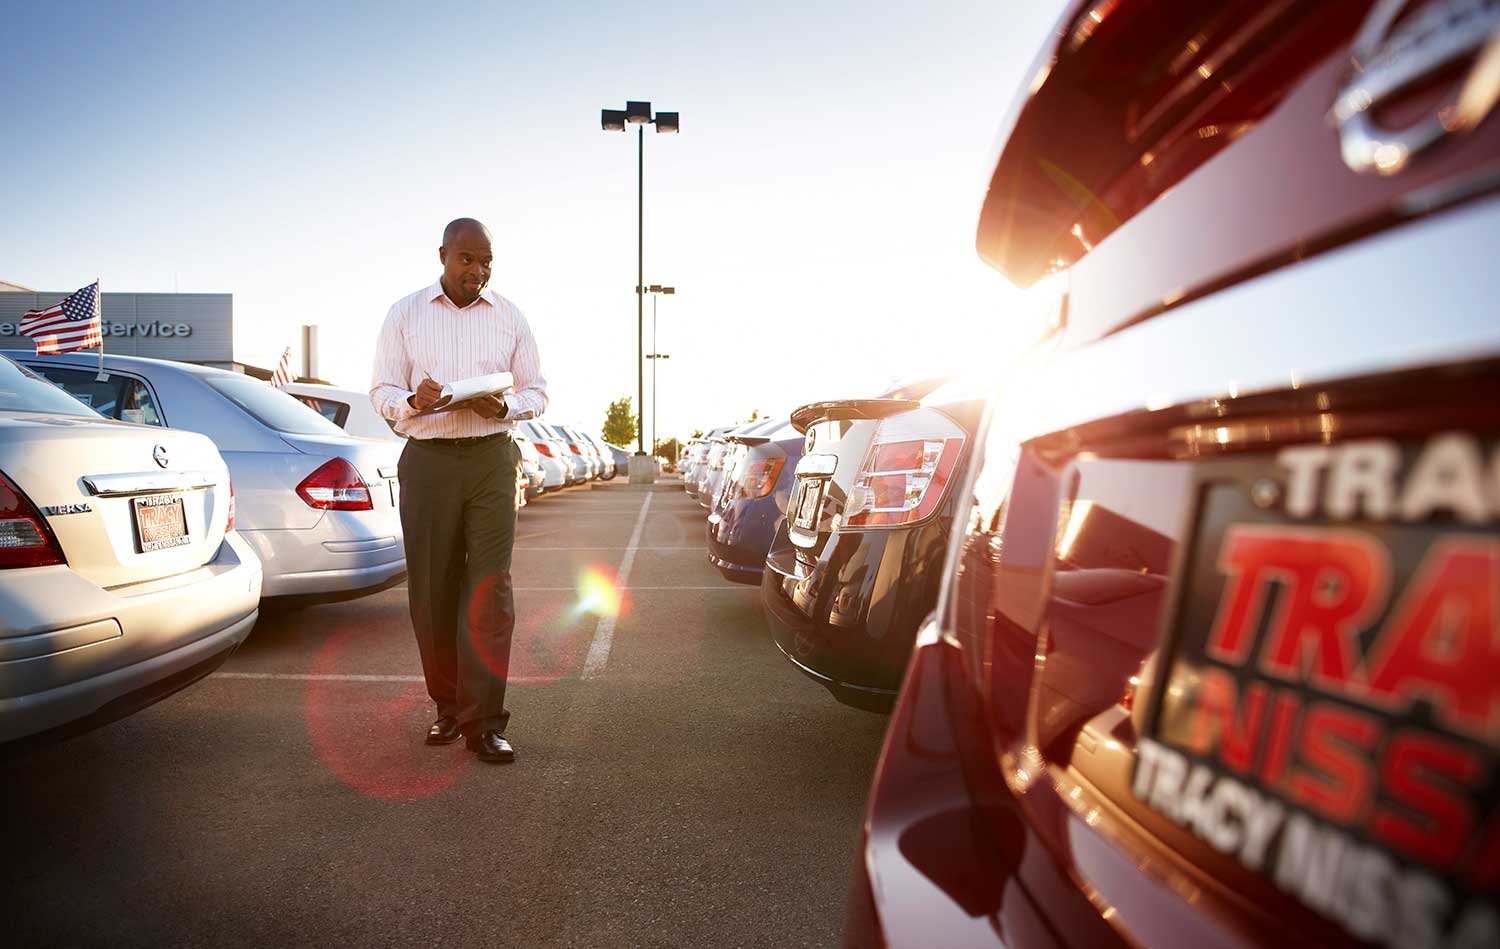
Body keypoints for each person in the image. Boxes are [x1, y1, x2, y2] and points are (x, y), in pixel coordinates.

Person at [369, 217, 548, 763]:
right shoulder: (404, 313)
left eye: (486, 260)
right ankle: (448, 709)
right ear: (443, 255)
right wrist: (413, 403)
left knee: (489, 591)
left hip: (492, 460)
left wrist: (507, 406)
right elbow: (381, 388)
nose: (478, 270)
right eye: (467, 259)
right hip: (428, 462)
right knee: (432, 589)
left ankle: (485, 722)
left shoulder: (510, 316)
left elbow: (538, 392)